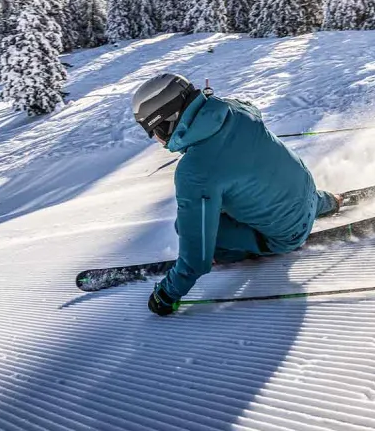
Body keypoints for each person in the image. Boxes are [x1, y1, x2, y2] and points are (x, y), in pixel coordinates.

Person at [131, 73, 341, 316]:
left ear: (166, 122)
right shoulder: (235, 109)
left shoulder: (195, 170)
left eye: (152, 131)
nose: (154, 139)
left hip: (286, 236)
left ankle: (227, 253)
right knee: (245, 185)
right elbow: (247, 111)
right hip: (309, 194)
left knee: (184, 226)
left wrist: (167, 294)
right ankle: (330, 202)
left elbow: (196, 256)